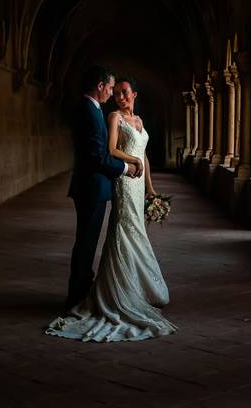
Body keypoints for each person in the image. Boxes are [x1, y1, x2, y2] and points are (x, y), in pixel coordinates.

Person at [47, 76, 177, 342]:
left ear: (135, 94)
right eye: (116, 92)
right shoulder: (114, 117)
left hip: (139, 181)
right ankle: (119, 289)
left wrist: (151, 188)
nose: (120, 97)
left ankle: (138, 286)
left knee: (137, 229)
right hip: (126, 181)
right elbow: (111, 150)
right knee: (123, 229)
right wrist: (132, 161)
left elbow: (146, 156)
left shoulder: (139, 121)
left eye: (125, 92)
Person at [61, 66, 140, 313]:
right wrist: (125, 169)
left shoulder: (91, 109)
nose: (112, 94)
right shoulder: (89, 110)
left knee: (87, 241)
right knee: (86, 242)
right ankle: (77, 297)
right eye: (110, 88)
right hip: (91, 189)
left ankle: (80, 290)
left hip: (90, 187)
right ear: (100, 85)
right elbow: (97, 157)